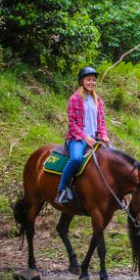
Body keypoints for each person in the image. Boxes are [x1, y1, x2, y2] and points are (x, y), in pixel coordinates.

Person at [56, 66, 110, 205]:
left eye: (93, 80)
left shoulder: (98, 100)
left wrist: (104, 135)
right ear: (82, 81)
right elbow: (72, 123)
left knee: (115, 157)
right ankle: (62, 189)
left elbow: (101, 122)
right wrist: (85, 137)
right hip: (78, 138)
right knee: (75, 158)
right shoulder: (75, 99)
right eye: (88, 79)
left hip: (95, 138)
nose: (91, 82)